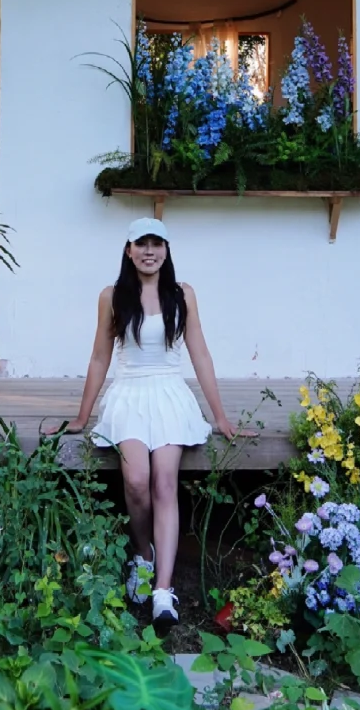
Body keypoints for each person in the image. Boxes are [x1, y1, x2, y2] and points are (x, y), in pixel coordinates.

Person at [57, 216, 252, 631]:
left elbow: (199, 353)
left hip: (168, 394)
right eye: (141, 243)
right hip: (128, 395)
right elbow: (99, 357)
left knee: (165, 481)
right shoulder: (112, 296)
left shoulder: (183, 294)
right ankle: (142, 556)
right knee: (137, 482)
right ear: (128, 250)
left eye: (157, 243)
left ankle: (163, 589)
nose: (150, 251)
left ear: (166, 250)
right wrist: (82, 415)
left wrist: (220, 417)